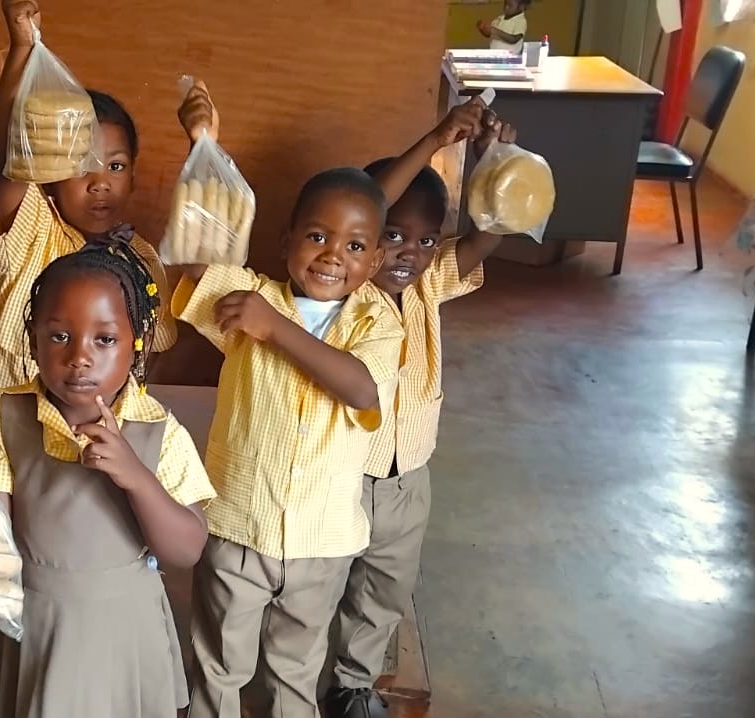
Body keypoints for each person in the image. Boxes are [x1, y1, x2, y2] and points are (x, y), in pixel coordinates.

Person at [171, 84, 404, 718]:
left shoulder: (377, 321)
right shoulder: (248, 293)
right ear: (285, 242)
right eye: (318, 236)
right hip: (238, 524)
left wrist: (275, 330)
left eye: (356, 246)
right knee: (217, 662)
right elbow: (195, 256)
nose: (334, 254)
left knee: (295, 671)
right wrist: (204, 149)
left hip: (322, 541)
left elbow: (360, 387)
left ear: (376, 259)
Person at [0, 242, 214, 716]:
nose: (80, 358)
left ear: (137, 342)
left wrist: (136, 477)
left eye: (104, 340)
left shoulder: (157, 429)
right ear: (32, 340)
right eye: (60, 337)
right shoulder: (9, 416)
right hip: (41, 621)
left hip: (123, 628)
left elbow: (187, 550)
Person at [325, 102, 511, 718]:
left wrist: (492, 163)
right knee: (321, 584)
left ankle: (351, 687)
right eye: (392, 235)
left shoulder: (429, 284)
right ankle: (302, 678)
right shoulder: (343, 287)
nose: (407, 252)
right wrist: (433, 140)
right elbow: (363, 205)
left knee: (383, 591)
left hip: (409, 482)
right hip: (340, 476)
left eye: (426, 239)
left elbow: (492, 230)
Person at [0, 0, 178, 393]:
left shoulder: (141, 259)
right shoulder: (34, 229)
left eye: (116, 166)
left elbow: (151, 355)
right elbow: (4, 157)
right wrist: (21, 47)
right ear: (50, 173)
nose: (100, 182)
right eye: (81, 165)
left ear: (134, 176)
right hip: (18, 428)